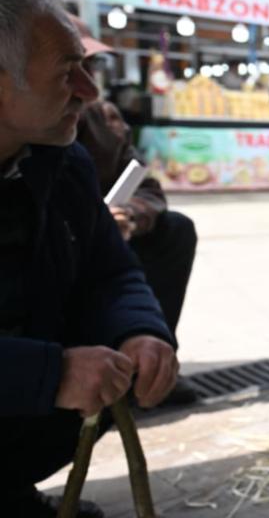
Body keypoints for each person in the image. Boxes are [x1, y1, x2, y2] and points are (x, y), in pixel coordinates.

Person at [0, 0, 177, 518]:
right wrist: (49, 374)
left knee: (173, 235)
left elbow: (111, 270)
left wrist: (140, 331)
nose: (90, 91)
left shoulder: (63, 159)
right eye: (66, 73)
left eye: (86, 66)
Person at [76, 98, 200, 406]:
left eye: (88, 67)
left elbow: (147, 187)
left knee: (175, 229)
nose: (84, 86)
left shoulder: (103, 118)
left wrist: (128, 215)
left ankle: (152, 364)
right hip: (62, 241)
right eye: (66, 69)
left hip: (110, 236)